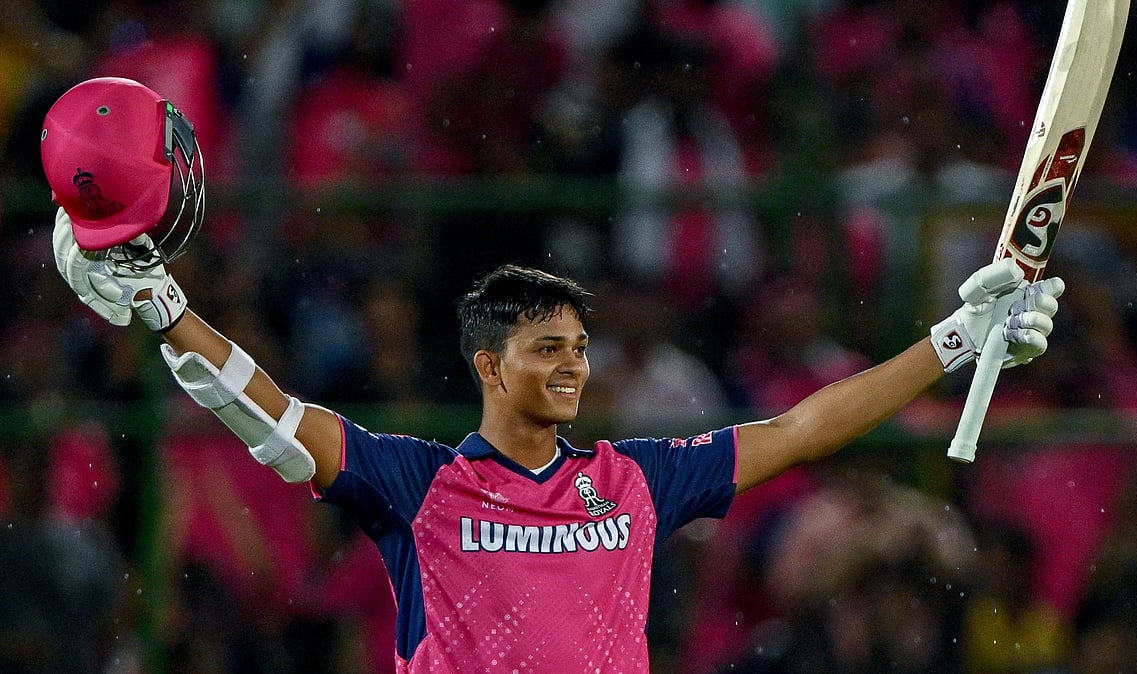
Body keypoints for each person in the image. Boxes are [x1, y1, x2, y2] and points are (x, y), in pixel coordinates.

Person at [44, 77, 1064, 673]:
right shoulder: (417, 484)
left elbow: (803, 427)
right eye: (548, 346)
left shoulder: (636, 479)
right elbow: (274, 419)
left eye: (580, 344)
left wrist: (954, 342)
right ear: (489, 364)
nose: (575, 362)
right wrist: (172, 315)